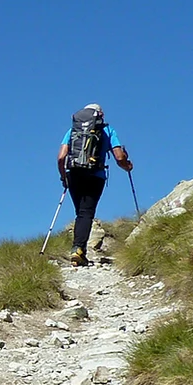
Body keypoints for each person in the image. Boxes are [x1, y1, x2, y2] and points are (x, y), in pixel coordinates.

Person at [56, 104, 132, 266]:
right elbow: (119, 157)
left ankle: (79, 248)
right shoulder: (108, 130)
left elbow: (61, 157)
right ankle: (78, 249)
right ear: (100, 114)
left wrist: (64, 178)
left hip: (74, 174)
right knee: (86, 212)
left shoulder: (73, 131)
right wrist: (127, 166)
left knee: (81, 212)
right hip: (95, 175)